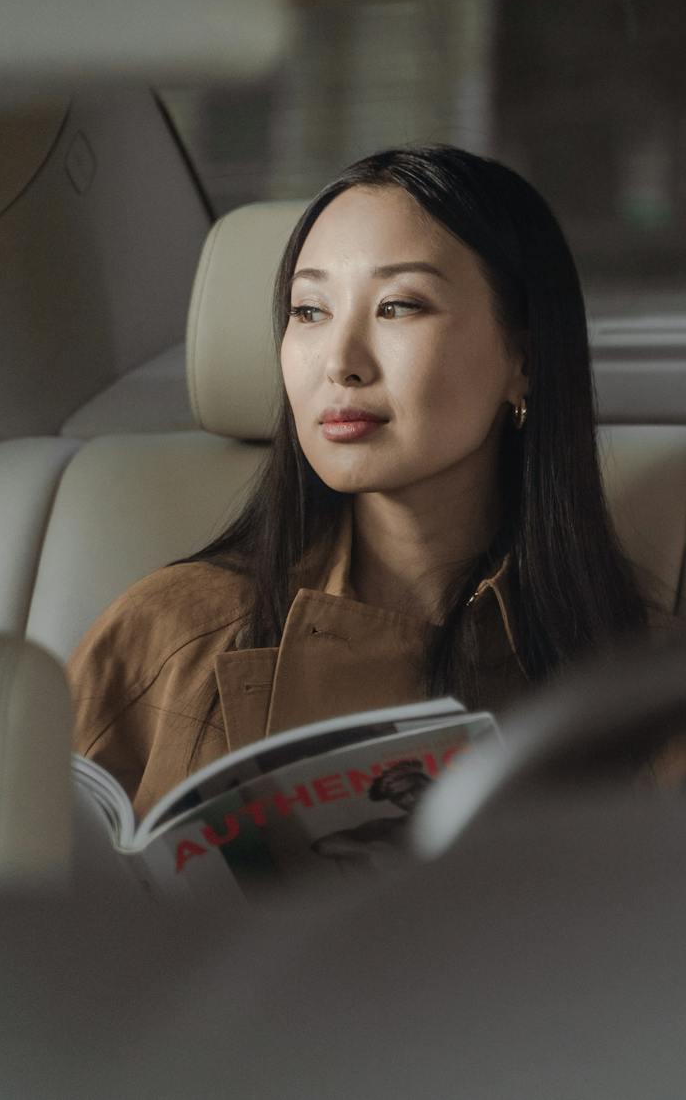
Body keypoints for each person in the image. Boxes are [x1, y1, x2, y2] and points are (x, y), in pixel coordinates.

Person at [70, 146, 652, 816]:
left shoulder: (654, 682)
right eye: (309, 311)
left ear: (522, 357)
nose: (340, 363)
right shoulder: (163, 635)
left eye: (399, 306)